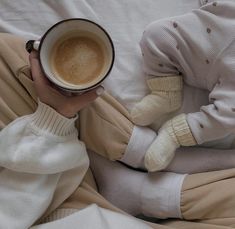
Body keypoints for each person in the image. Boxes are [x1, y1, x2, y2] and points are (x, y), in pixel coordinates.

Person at [1, 6, 235, 229]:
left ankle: (138, 159)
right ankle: (142, 168)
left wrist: (53, 118)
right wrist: (52, 123)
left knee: (18, 57)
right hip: (57, 201)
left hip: (34, 191)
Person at [126, 0, 235, 172]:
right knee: (156, 34)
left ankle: (175, 133)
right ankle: (166, 93)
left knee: (228, 118)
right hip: (206, 33)